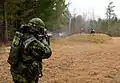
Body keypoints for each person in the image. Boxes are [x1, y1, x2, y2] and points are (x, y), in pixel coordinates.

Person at [7, 18, 52, 83]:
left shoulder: (22, 35)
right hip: (25, 75)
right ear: (36, 29)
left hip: (19, 72)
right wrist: (44, 39)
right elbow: (47, 53)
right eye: (40, 30)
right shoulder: (31, 41)